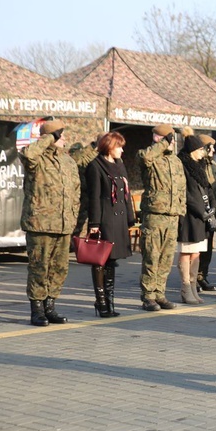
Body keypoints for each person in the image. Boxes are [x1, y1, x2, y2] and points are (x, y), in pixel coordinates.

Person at [19, 119, 80, 326]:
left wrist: (73, 218)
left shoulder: (68, 161)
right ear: (51, 137)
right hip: (40, 223)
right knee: (39, 267)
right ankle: (36, 310)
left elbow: (76, 192)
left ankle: (50, 306)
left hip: (63, 224)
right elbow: (28, 154)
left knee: (59, 268)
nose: (64, 138)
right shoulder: (36, 159)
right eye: (60, 134)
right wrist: (47, 137)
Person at [86, 131, 136, 317]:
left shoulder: (119, 164)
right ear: (109, 147)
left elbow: (126, 193)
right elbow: (95, 197)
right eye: (119, 146)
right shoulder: (95, 166)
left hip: (119, 218)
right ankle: (101, 302)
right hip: (106, 217)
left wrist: (130, 217)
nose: (122, 150)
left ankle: (110, 302)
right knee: (101, 260)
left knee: (112, 261)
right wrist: (95, 223)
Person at [137, 124, 186, 311]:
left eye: (172, 139)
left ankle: (159, 293)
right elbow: (145, 157)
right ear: (158, 138)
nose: (172, 143)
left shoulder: (175, 161)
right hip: (155, 215)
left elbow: (181, 188)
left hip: (172, 216)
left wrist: (181, 211)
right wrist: (161, 144)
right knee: (152, 256)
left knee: (166, 258)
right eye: (168, 139)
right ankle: (148, 296)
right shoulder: (148, 156)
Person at [176, 131, 216, 305]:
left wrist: (212, 207)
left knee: (196, 253)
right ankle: (186, 288)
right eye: (201, 149)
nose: (204, 152)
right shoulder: (183, 166)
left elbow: (207, 188)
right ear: (193, 150)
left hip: (202, 217)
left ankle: (193, 286)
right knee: (186, 252)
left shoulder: (200, 166)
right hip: (189, 216)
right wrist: (201, 210)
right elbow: (187, 193)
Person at [196, 134, 216, 292]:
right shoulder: (196, 165)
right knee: (197, 246)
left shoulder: (213, 166)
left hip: (212, 209)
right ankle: (194, 278)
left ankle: (202, 276)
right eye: (209, 147)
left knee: (208, 246)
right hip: (199, 210)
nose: (213, 150)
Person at [69, 139, 99, 239]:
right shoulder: (75, 160)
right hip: (80, 195)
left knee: (83, 223)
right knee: (78, 222)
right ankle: (76, 243)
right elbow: (81, 160)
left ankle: (79, 243)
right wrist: (92, 146)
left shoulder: (85, 159)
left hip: (86, 194)